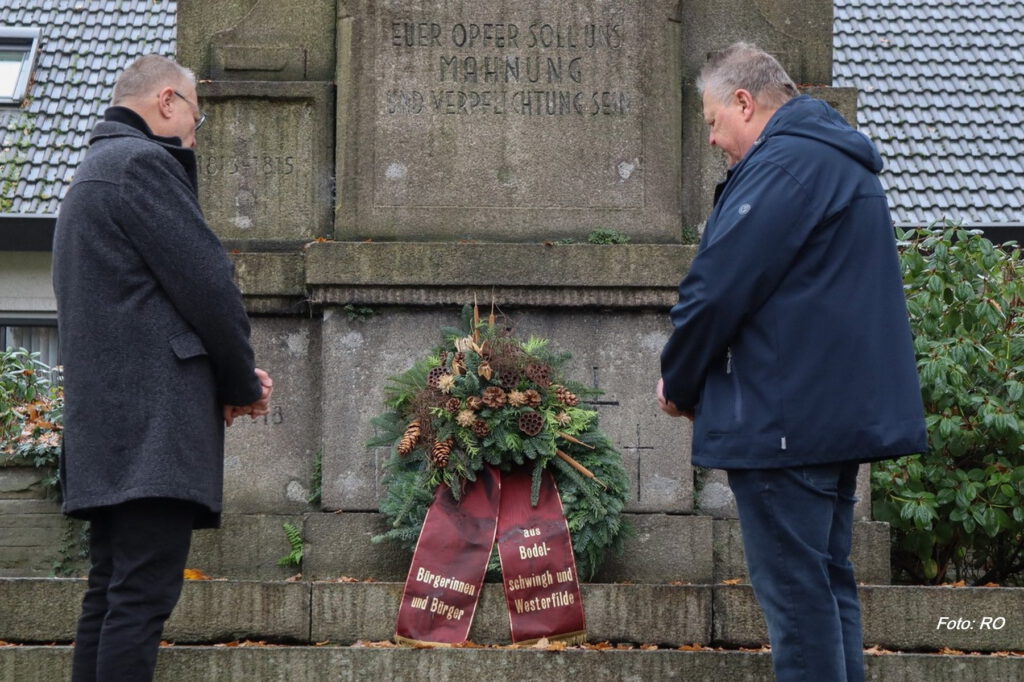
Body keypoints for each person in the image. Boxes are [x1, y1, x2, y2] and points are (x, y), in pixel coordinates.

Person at [657, 43, 927, 681]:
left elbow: (716, 288)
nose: (715, 140)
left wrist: (680, 377)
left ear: (745, 103)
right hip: (825, 418)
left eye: (714, 122)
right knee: (828, 588)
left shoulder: (785, 166)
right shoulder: (835, 159)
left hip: (785, 420)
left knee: (799, 608)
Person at [52, 54, 273, 682]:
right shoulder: (141, 164)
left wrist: (235, 379)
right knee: (141, 599)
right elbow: (210, 287)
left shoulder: (90, 174)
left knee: (112, 594)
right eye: (196, 120)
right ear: (168, 102)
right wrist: (238, 382)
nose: (194, 136)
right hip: (151, 431)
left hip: (108, 429)